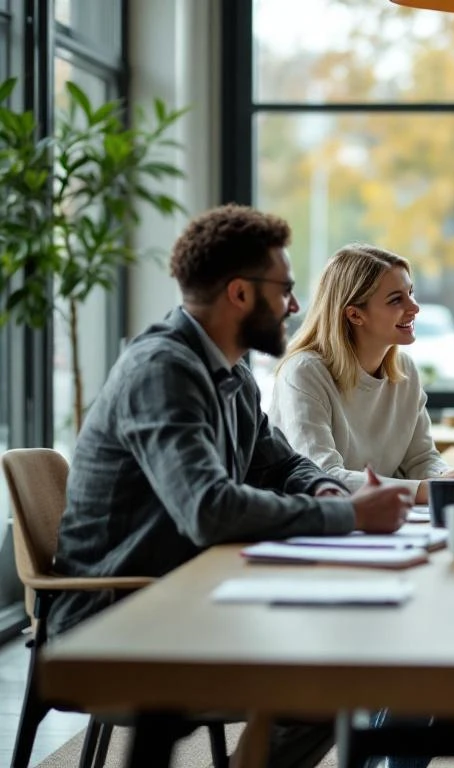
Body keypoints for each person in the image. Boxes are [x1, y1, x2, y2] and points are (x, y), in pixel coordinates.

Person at [51, 204, 413, 768]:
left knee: (349, 642)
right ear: (241, 294)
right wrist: (351, 517)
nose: (295, 306)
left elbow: (280, 463)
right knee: (325, 671)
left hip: (188, 588)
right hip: (119, 613)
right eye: (285, 289)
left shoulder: (229, 369)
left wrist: (325, 491)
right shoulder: (162, 370)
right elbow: (208, 510)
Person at [269, 243, 454, 504]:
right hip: (317, 525)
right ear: (355, 314)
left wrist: (449, 478)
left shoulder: (404, 370)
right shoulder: (304, 372)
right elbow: (322, 476)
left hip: (380, 519)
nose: (415, 307)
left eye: (411, 293)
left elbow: (420, 459)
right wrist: (427, 489)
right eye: (396, 299)